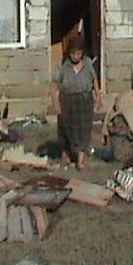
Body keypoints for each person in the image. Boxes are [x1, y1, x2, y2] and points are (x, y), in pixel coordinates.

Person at [51, 37, 102, 171]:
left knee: (84, 129)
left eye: (79, 53)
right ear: (69, 53)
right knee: (67, 128)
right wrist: (56, 103)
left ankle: (80, 161)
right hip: (67, 100)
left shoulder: (88, 63)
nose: (76, 56)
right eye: (73, 54)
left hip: (84, 100)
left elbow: (94, 80)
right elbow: (53, 84)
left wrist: (98, 97)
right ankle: (67, 153)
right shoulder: (63, 65)